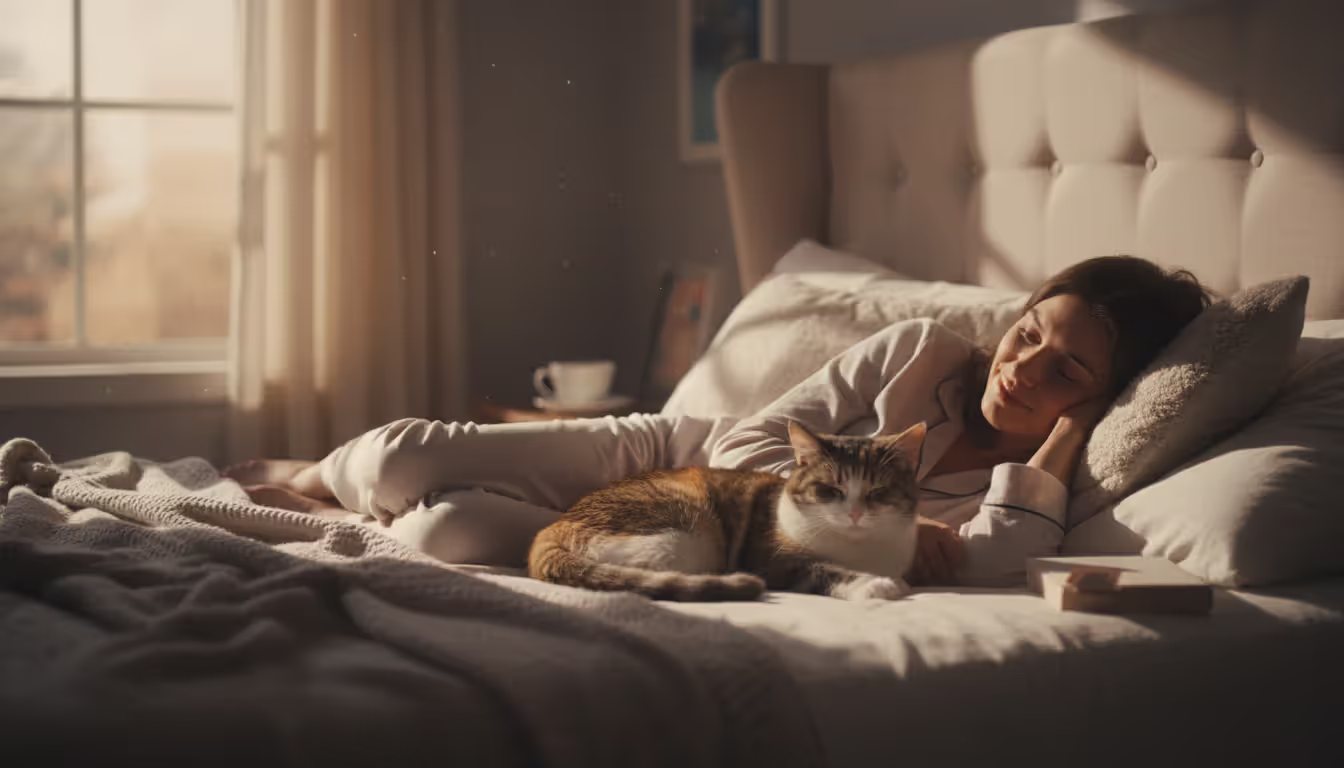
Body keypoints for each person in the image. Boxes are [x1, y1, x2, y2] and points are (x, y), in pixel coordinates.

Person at [228, 256, 1211, 587]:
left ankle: (349, 513)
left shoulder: (1045, 477)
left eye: (1068, 366)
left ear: (1104, 392)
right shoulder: (918, 350)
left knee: (447, 530)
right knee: (405, 454)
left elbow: (998, 564)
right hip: (672, 454)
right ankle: (317, 474)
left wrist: (1061, 444)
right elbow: (746, 440)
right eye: (1030, 332)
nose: (1025, 366)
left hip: (707, 539)